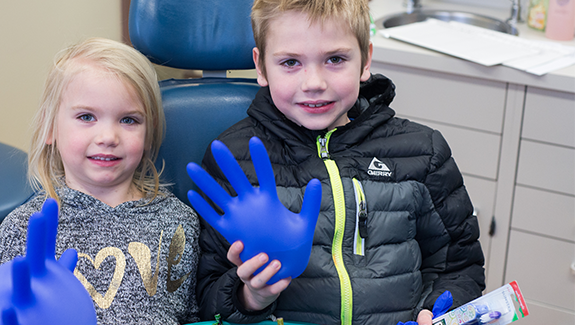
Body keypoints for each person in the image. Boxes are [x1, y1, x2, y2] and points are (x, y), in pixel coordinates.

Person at [195, 0, 485, 324]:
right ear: (261, 66)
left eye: (335, 59)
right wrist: (252, 295)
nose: (314, 82)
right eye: (291, 62)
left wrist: (440, 308)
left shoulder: (422, 151)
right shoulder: (234, 160)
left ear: (365, 61)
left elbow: (459, 267)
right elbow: (206, 298)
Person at [0, 37, 200, 324]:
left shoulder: (179, 221)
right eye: (87, 116)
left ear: (149, 134)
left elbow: (191, 315)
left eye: (128, 120)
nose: (108, 138)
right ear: (50, 128)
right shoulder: (22, 231)